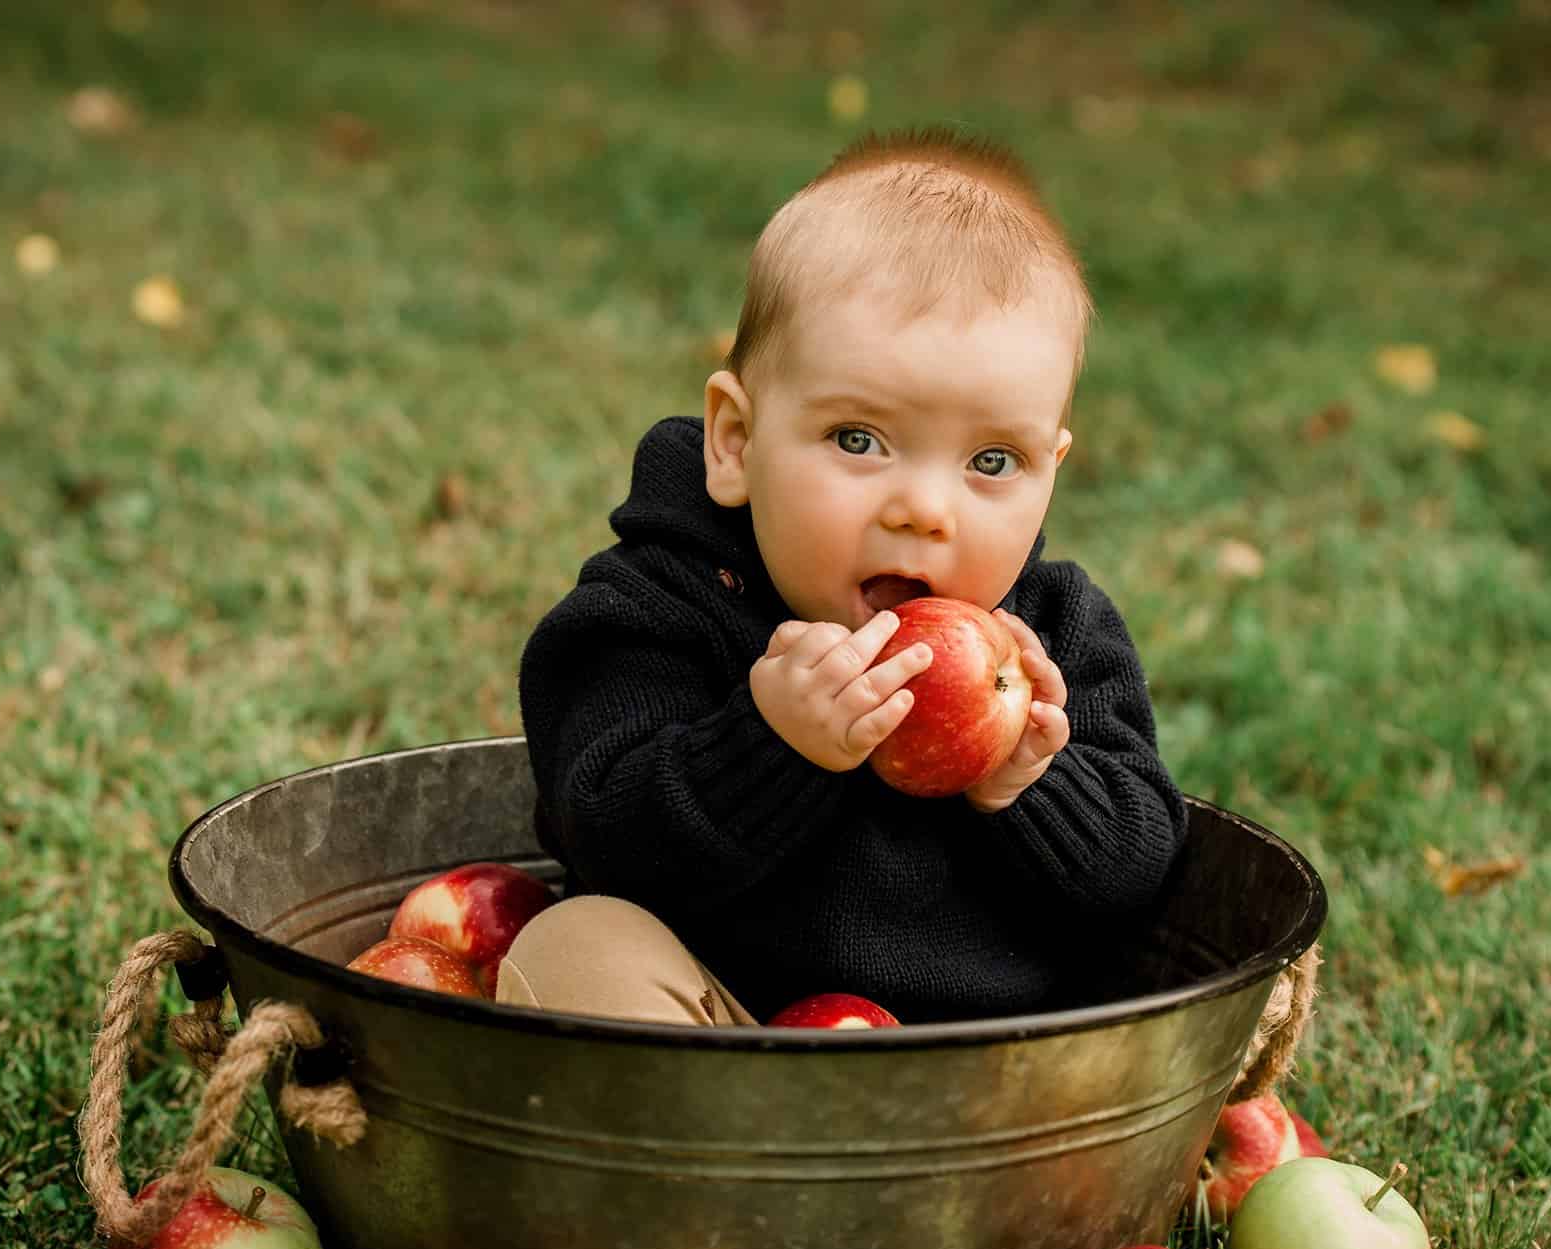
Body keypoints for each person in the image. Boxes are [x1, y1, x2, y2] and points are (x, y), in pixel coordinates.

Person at [504, 128, 1188, 1026]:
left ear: (1051, 468)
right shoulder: (660, 607)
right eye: (858, 440)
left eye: (992, 460)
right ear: (735, 442)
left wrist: (1030, 784)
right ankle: (730, 1162)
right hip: (719, 1062)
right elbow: (602, 835)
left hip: (984, 1080)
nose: (925, 509)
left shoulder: (1054, 639)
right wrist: (767, 745)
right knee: (576, 949)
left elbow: (1147, 876)